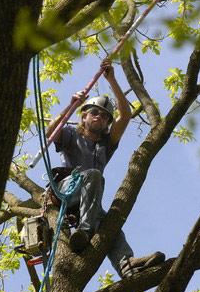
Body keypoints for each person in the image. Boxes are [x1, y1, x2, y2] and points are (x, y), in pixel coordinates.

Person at [46, 59, 165, 278]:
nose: (99, 117)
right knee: (93, 175)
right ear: (84, 116)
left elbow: (126, 116)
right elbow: (50, 132)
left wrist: (112, 80)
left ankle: (126, 263)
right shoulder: (72, 134)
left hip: (86, 202)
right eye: (94, 113)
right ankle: (85, 231)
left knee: (110, 224)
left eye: (104, 116)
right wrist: (70, 105)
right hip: (65, 190)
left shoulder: (105, 144)